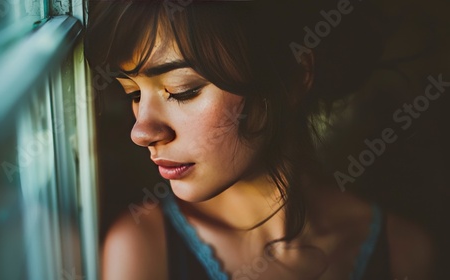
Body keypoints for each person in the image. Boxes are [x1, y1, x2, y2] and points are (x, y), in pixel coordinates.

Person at [84, 0, 435, 279]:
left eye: (181, 91)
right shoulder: (142, 249)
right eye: (133, 93)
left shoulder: (404, 252)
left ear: (294, 78)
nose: (142, 131)